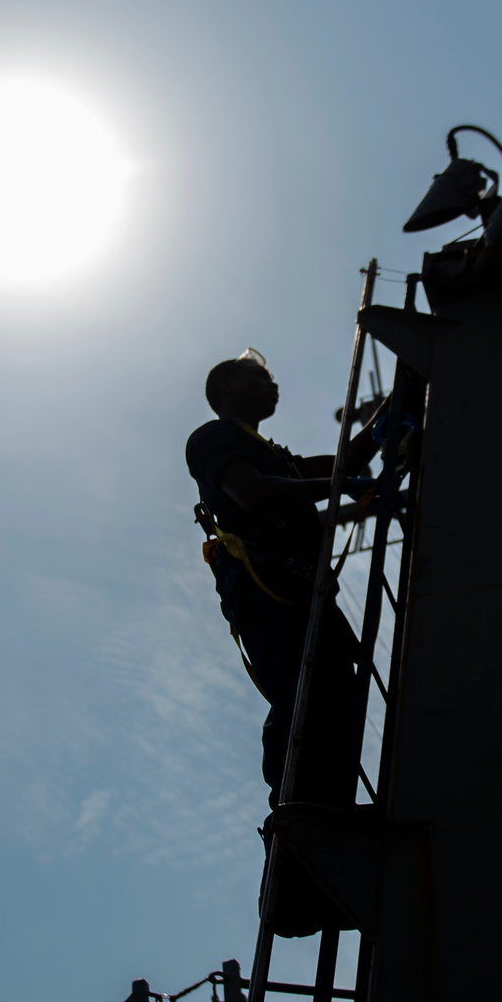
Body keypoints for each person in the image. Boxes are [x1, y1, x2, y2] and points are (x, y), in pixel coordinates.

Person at [186, 350, 386, 819]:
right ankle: (298, 815)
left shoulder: (274, 455)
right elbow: (252, 494)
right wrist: (340, 482)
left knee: (337, 688)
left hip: (301, 589)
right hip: (267, 590)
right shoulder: (213, 439)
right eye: (262, 376)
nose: (274, 384)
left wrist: (393, 407)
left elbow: (344, 460)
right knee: (302, 693)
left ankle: (330, 807)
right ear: (229, 387)